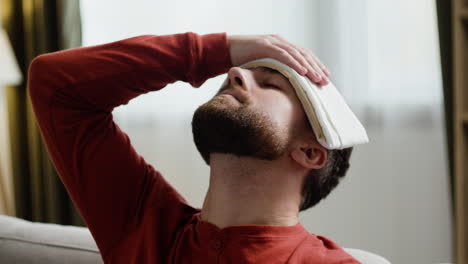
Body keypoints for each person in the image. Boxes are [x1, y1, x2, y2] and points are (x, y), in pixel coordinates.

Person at [28, 32, 358, 263]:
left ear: (309, 152)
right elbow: (55, 84)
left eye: (271, 84)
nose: (234, 73)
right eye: (239, 68)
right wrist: (214, 51)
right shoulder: (146, 226)